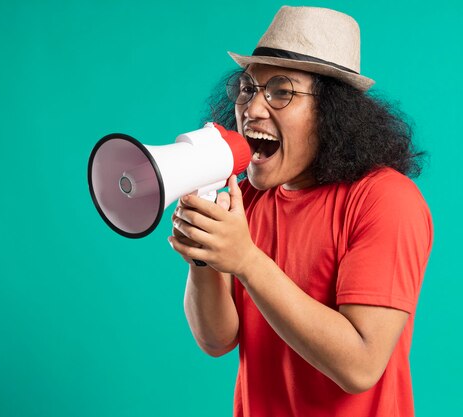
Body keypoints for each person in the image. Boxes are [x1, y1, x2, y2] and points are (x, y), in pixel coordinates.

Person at [168, 6, 433, 417]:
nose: (252, 110)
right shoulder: (246, 200)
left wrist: (247, 262)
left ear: (333, 113)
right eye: (248, 88)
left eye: (280, 91)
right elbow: (217, 340)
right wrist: (203, 257)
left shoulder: (385, 199)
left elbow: (361, 365)